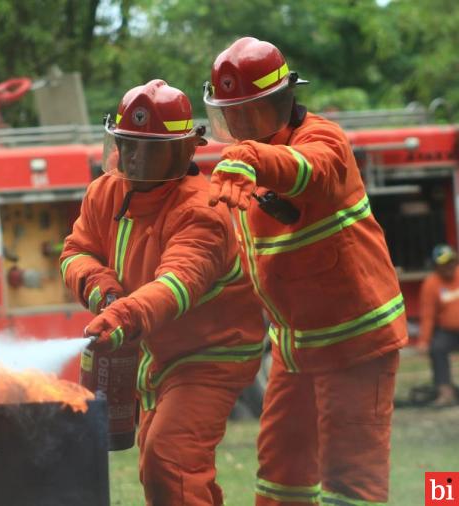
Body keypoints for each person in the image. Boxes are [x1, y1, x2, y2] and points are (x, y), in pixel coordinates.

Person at [204, 37, 407, 505]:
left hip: (356, 344)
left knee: (351, 483)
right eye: (231, 116)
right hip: (296, 351)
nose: (240, 127)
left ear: (284, 100)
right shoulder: (243, 170)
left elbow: (308, 171)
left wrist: (250, 159)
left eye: (250, 114)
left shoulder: (322, 140)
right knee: (280, 476)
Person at [60, 79, 265, 506]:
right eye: (127, 144)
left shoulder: (202, 210)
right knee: (162, 464)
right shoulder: (105, 191)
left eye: (148, 148)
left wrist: (123, 315)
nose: (133, 157)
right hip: (153, 350)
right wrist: (102, 289)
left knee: (169, 459)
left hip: (211, 356)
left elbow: (177, 285)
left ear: (184, 151)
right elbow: (75, 251)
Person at [417, 244, 459, 407]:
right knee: (437, 348)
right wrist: (424, 341)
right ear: (436, 266)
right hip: (447, 332)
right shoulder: (431, 284)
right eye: (444, 263)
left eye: (451, 262)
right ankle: (445, 392)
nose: (449, 266)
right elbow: (428, 315)